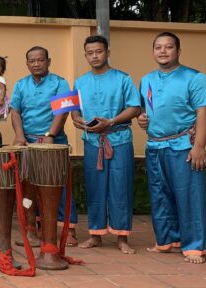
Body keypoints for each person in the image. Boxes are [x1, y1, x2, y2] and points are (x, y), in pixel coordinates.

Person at [138, 32, 206, 264]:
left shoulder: (194, 77)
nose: (163, 51)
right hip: (154, 145)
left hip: (183, 146)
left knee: (189, 196)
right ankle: (167, 240)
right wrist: (142, 119)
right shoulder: (146, 80)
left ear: (178, 51)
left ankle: (195, 246)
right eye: (158, 47)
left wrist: (199, 146)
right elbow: (145, 110)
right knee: (160, 195)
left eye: (168, 47)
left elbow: (204, 111)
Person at [71, 35, 140, 254]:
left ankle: (122, 237)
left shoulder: (123, 79)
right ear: (85, 55)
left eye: (99, 51)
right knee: (95, 187)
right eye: (90, 53)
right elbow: (74, 111)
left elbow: (135, 108)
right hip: (92, 141)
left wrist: (110, 121)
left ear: (107, 52)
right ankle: (96, 234)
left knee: (121, 187)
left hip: (119, 140)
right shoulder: (80, 82)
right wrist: (77, 119)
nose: (94, 56)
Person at [9, 46, 79, 246]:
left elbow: (63, 112)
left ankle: (68, 229)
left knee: (59, 186)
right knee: (29, 188)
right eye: (32, 61)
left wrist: (50, 135)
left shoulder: (60, 82)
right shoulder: (21, 84)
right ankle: (33, 229)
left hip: (54, 141)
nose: (36, 64)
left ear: (48, 62)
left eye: (40, 60)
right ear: (27, 64)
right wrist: (19, 136)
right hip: (28, 142)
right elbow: (15, 111)